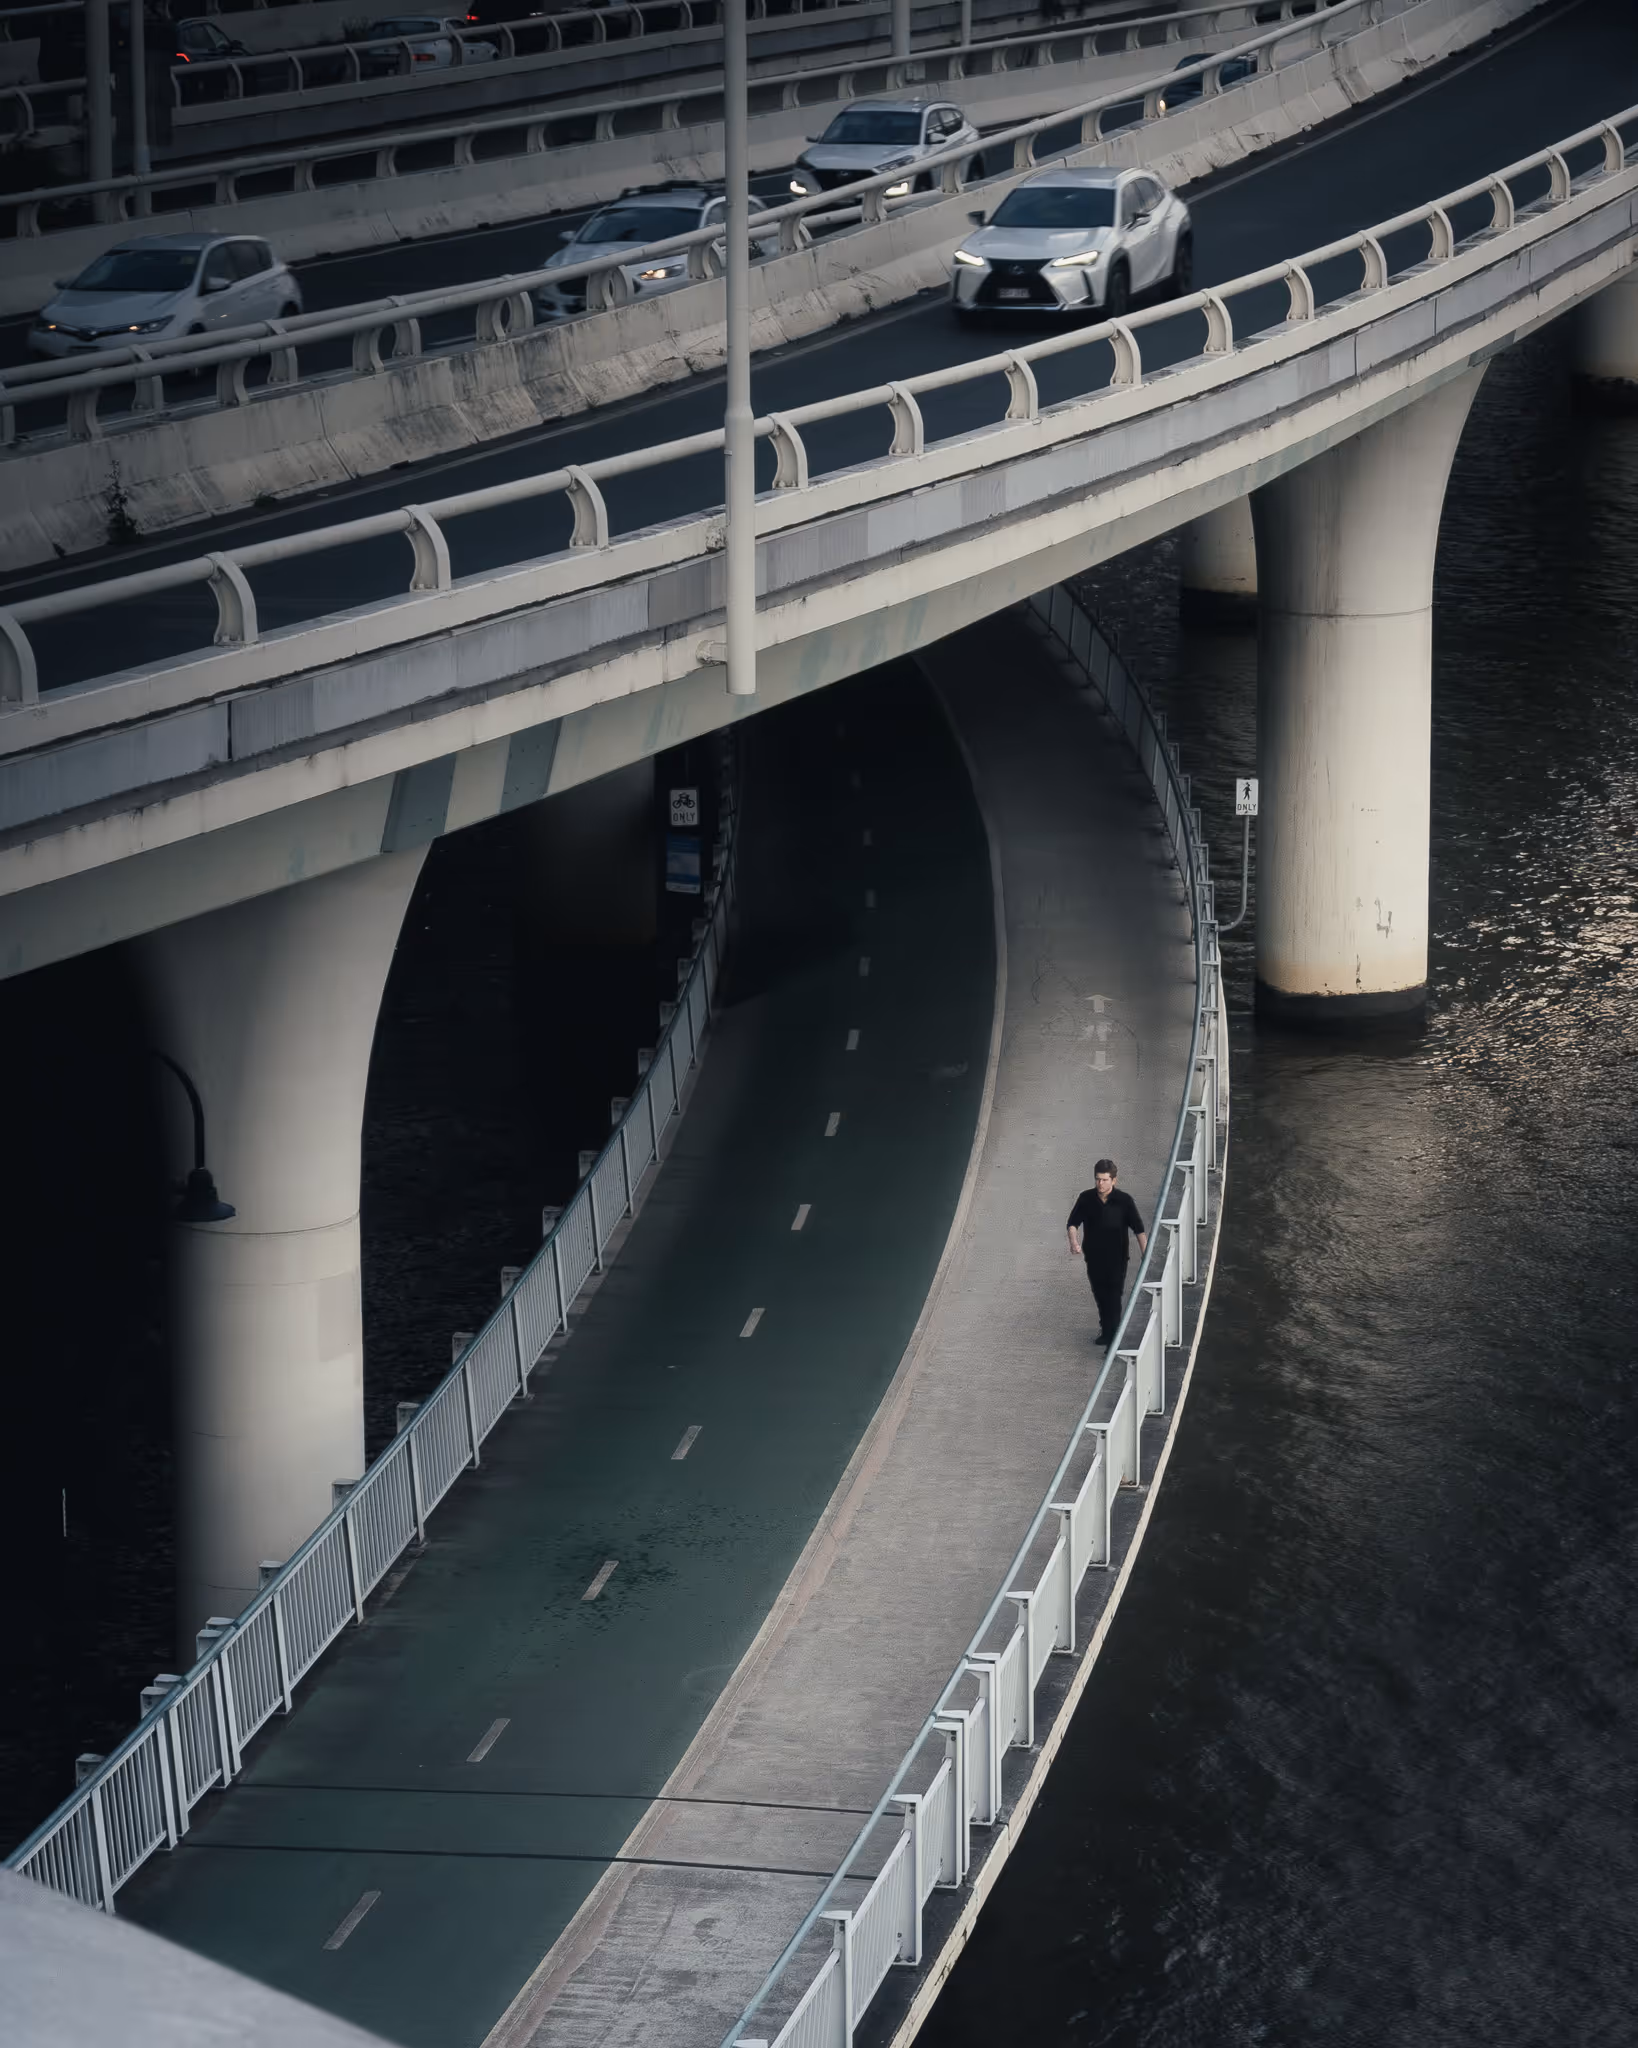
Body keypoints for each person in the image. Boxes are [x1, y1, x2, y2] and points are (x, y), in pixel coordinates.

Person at [1066, 1159, 1147, 1347]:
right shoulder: (1086, 1198)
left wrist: (1145, 1255)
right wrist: (1074, 1242)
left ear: (1114, 1180)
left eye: (1104, 1180)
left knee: (1114, 1295)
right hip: (1094, 1258)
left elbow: (1139, 1230)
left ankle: (1113, 1340)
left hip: (1117, 1258)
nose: (1100, 1184)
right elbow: (1072, 1223)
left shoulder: (1124, 1201)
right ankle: (1107, 1330)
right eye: (1097, 1179)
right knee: (1100, 1294)